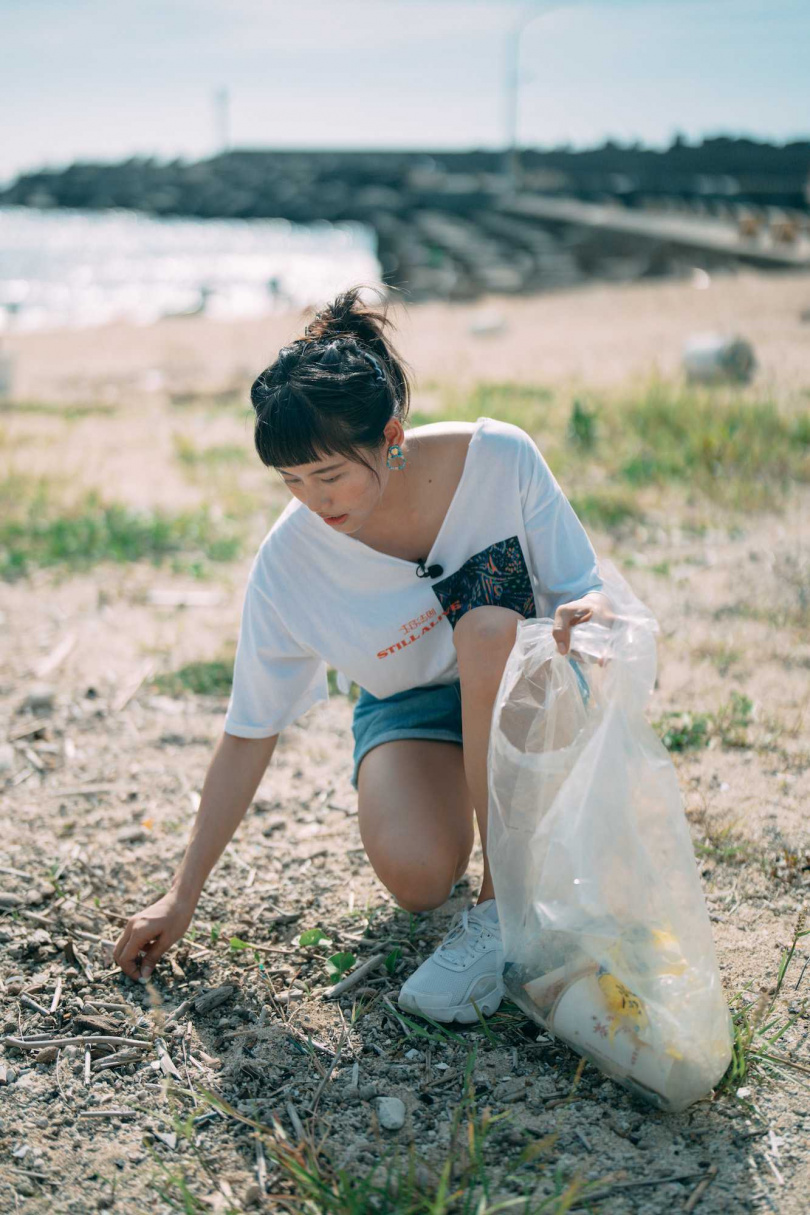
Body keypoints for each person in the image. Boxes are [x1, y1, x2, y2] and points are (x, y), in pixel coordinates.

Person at [113, 287, 607, 1023]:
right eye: (292, 480)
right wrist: (180, 894)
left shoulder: (497, 459)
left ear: (393, 437)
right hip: (408, 704)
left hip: (526, 688)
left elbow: (587, 591)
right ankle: (488, 878)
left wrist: (579, 622)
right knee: (416, 875)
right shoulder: (289, 565)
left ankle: (501, 908)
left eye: (331, 474)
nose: (315, 500)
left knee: (485, 629)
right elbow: (250, 729)